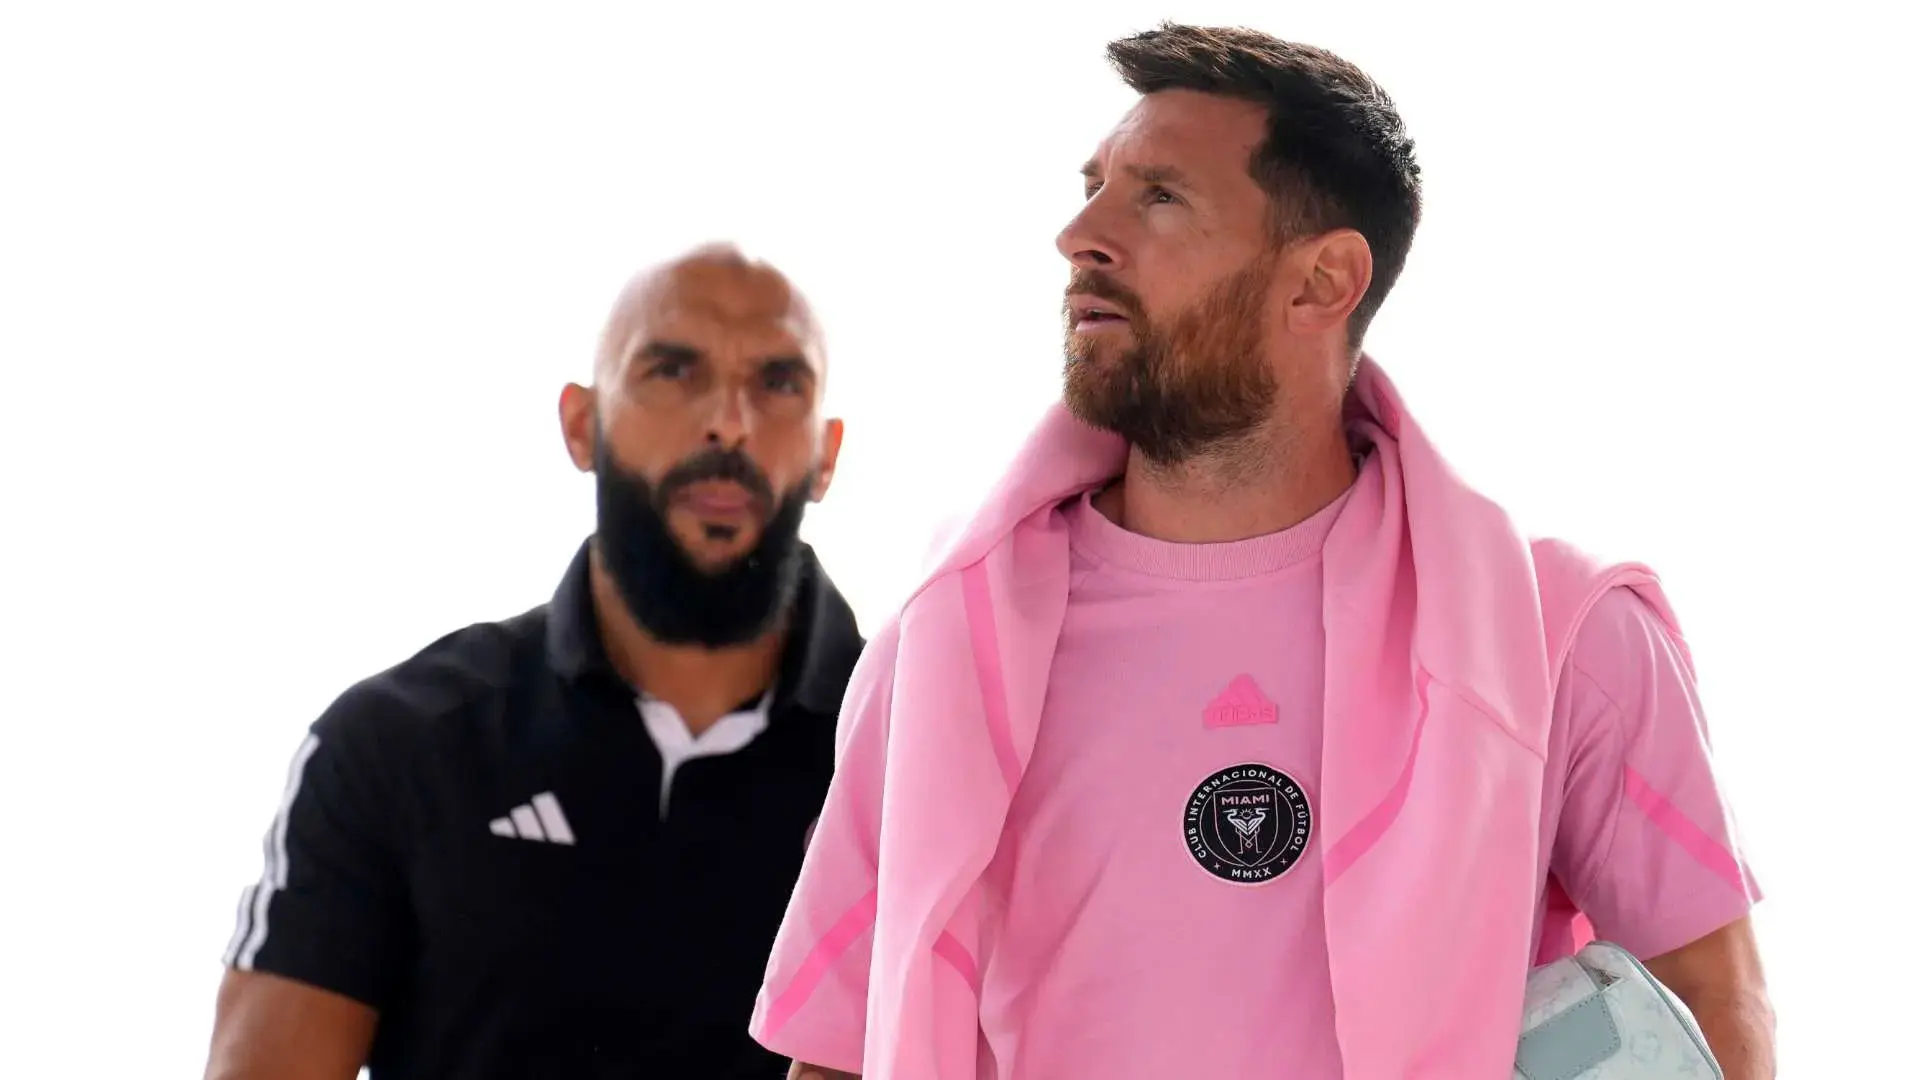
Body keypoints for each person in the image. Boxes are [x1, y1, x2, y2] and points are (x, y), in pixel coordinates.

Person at [759, 24, 1775, 1080]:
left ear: (1322, 282)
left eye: (1160, 198)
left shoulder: (1559, 632)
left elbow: (1713, 1006)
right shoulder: (948, 641)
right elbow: (836, 1050)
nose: (1079, 235)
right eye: (1094, 188)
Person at [202, 244, 863, 1080]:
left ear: (827, 452)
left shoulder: (922, 760)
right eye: (672, 370)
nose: (730, 422)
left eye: (779, 383)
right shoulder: (399, 744)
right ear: (582, 425)